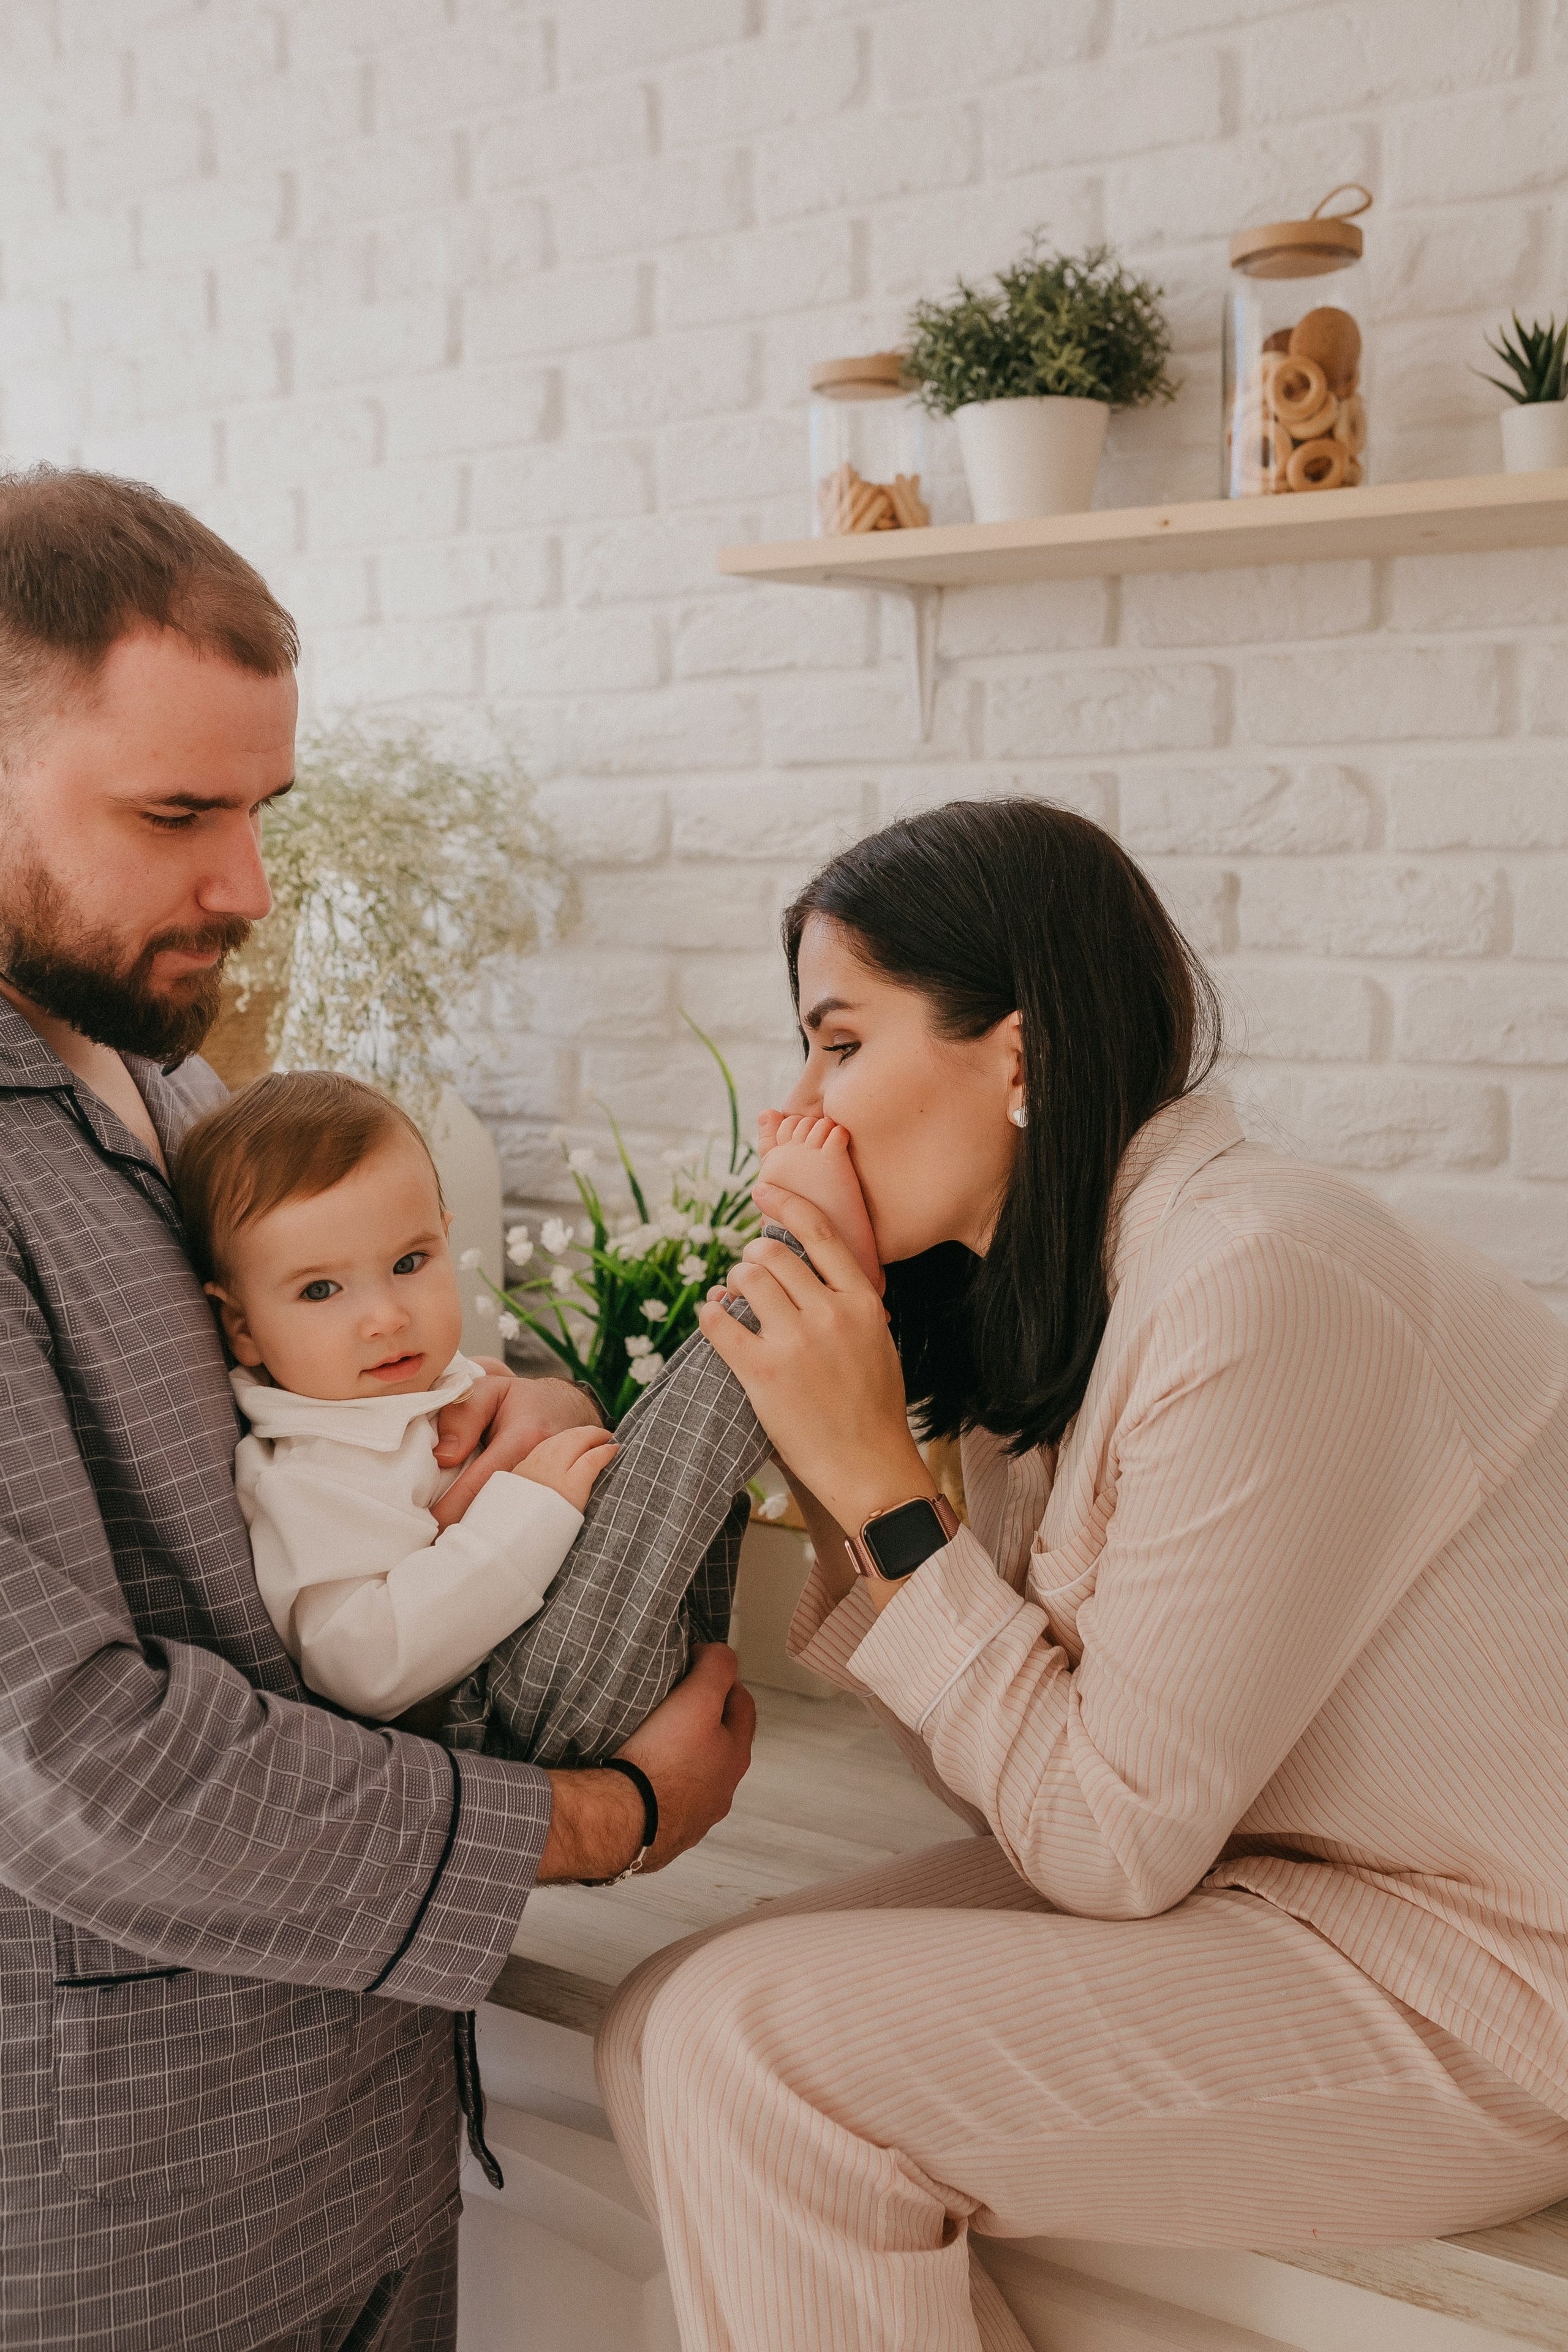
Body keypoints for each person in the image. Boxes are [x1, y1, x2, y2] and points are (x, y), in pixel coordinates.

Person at [596, 796, 1568, 2352]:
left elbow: (1102, 1842)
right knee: (659, 2015)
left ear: (1020, 1053)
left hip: (1491, 1971)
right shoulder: (1057, 1303)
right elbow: (1008, 1792)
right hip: (1268, 1888)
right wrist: (851, 1457)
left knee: (746, 2052)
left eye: (836, 1043)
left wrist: (876, 1484)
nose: (800, 1108)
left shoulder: (1263, 1271)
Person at [0, 467, 761, 2352]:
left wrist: (504, 1406)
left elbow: (281, 1456)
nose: (246, 887)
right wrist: (599, 1816)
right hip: (120, 2228)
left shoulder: (170, 1100)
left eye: (261, 810)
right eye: (178, 812)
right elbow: (70, 1753)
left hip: (349, 2145)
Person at [175, 1066, 767, 1764]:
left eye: (409, 1262)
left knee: (698, 1451)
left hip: (606, 1641)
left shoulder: (421, 1393)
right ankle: (802, 1267)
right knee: (725, 1381)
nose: (386, 1317)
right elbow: (362, 1665)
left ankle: (807, 1286)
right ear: (242, 1328)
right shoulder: (313, 1466)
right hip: (488, 1715)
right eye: (322, 1289)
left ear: (446, 1238)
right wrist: (529, 1507)